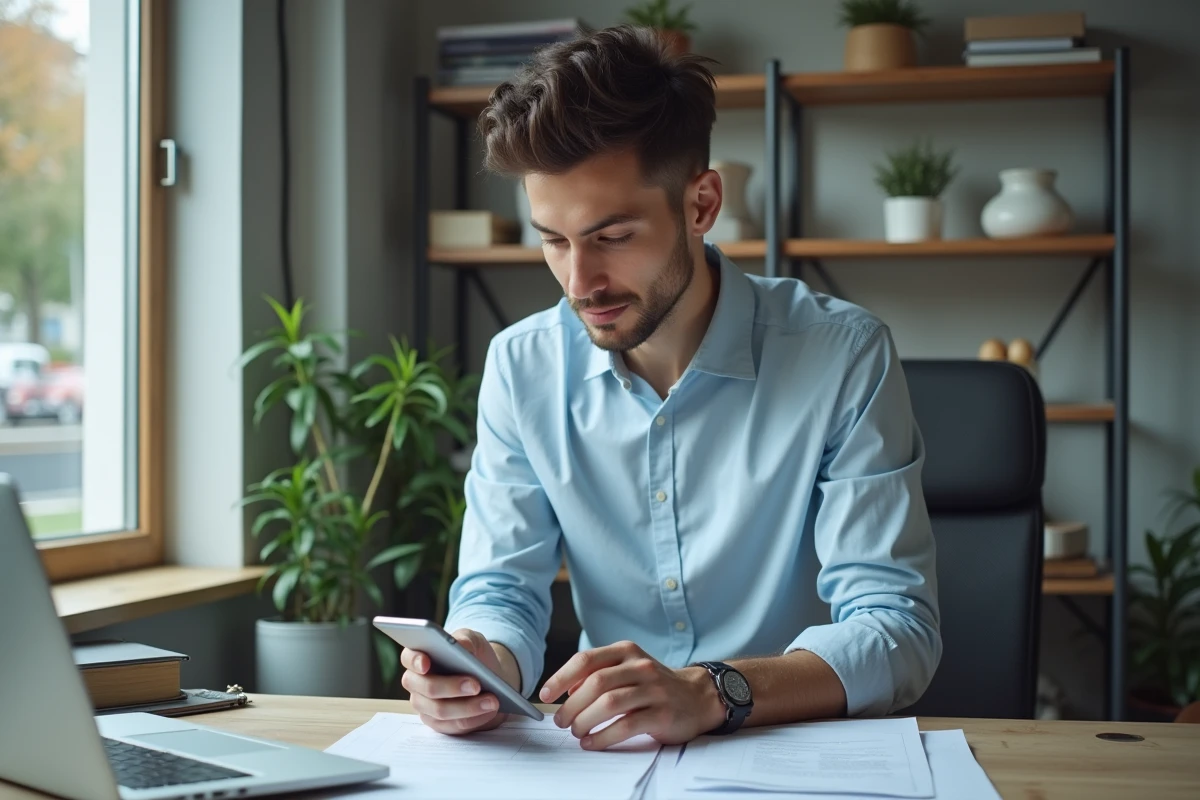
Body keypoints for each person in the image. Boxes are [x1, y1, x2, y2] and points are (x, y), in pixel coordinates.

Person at [400, 25, 940, 751]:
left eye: (613, 236)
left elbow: (896, 630)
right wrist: (483, 664)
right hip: (609, 759)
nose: (578, 282)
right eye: (554, 240)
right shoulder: (521, 366)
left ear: (701, 204)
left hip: (804, 752)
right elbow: (500, 591)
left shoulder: (843, 354)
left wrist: (713, 690)